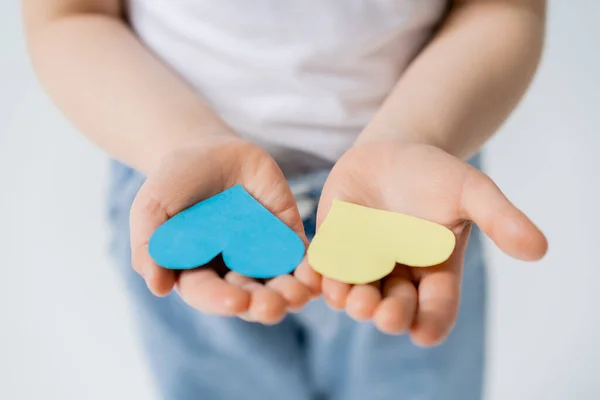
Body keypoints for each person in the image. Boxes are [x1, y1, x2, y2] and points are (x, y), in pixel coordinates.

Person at [23, 1, 548, 399]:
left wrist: (417, 133)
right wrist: (183, 142)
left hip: (415, 188)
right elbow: (72, 15)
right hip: (184, 190)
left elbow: (502, 7)